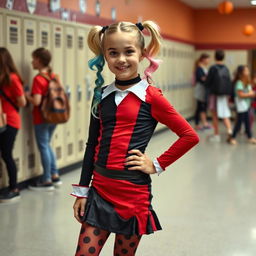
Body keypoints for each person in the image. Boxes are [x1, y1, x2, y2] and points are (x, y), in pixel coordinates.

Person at [71, 21, 199, 256]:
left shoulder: (151, 97)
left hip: (132, 195)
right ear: (104, 56)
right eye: (113, 53)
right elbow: (92, 145)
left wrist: (157, 164)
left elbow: (189, 136)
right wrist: (82, 190)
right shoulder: (101, 95)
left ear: (142, 54)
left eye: (128, 51)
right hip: (99, 190)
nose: (121, 59)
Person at [25, 47, 61, 191]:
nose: (32, 62)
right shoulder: (54, 76)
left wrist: (26, 94)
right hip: (54, 116)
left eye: (33, 59)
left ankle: (46, 180)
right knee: (47, 144)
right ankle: (54, 175)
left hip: (42, 117)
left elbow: (37, 102)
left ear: (39, 61)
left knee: (44, 146)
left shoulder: (38, 79)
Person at [0, 47, 26, 202]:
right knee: (6, 154)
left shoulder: (11, 79)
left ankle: (14, 187)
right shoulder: (9, 78)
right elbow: (21, 101)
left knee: (7, 154)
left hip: (9, 121)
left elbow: (21, 102)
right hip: (7, 120)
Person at [205, 50, 233, 142]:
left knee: (214, 115)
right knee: (225, 113)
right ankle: (230, 130)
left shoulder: (213, 68)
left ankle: (216, 135)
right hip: (224, 95)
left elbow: (208, 82)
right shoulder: (226, 68)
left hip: (214, 94)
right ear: (223, 57)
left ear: (215, 57)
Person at [229, 65, 256, 145]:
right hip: (241, 106)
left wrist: (250, 93)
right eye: (246, 70)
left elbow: (250, 92)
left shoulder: (247, 82)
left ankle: (250, 137)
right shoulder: (239, 83)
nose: (248, 72)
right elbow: (240, 95)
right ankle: (232, 138)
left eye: (248, 70)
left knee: (247, 122)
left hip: (246, 105)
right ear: (241, 73)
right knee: (239, 122)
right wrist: (250, 94)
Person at [193, 53, 211, 131]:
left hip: (203, 90)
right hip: (200, 90)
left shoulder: (203, 68)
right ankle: (201, 124)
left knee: (200, 107)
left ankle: (199, 123)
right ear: (203, 59)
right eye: (208, 59)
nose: (209, 61)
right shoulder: (199, 68)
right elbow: (201, 79)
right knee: (201, 107)